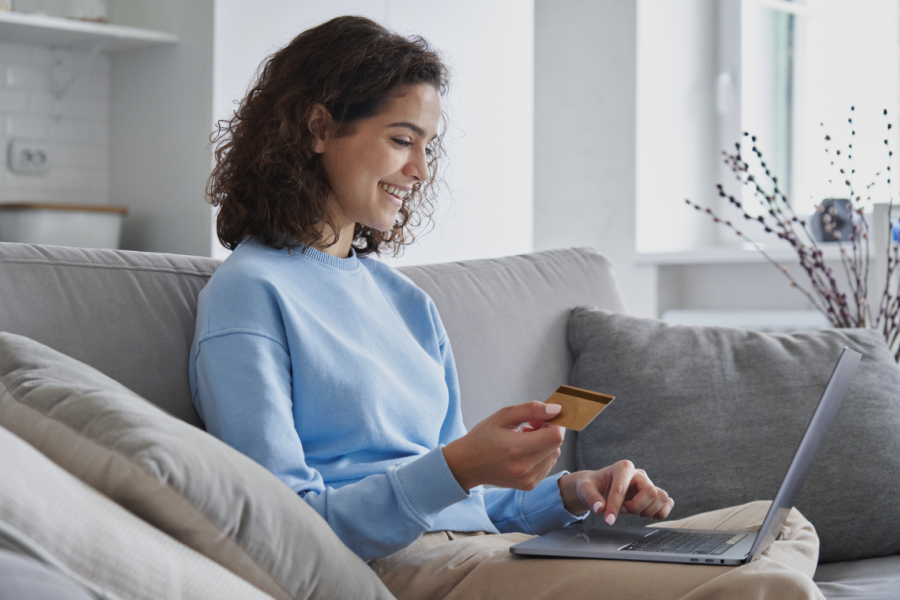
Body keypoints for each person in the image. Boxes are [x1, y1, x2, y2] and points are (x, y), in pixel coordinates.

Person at [191, 15, 824, 600]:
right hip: (395, 566)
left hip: (485, 550)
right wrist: (457, 466)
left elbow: (473, 503)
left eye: (428, 146)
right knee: (767, 586)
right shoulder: (250, 292)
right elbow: (282, 526)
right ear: (319, 127)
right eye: (402, 139)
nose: (419, 170)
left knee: (777, 527)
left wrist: (575, 493)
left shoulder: (405, 302)